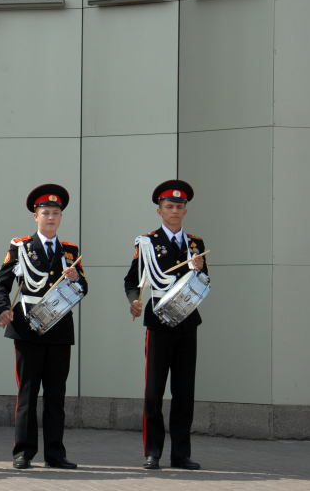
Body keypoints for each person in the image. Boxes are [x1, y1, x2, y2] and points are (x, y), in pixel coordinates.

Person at [0, 184, 87, 470]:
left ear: (61, 217)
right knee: (28, 394)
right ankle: (23, 452)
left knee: (56, 395)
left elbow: (84, 288)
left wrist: (75, 278)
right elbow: (1, 284)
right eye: (45, 212)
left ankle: (55, 454)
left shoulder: (70, 251)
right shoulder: (21, 247)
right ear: (36, 216)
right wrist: (1, 310)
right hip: (27, 328)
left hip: (59, 329)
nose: (51, 217)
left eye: (56, 213)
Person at [124, 180, 207, 471]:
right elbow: (132, 278)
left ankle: (181, 454)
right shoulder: (147, 242)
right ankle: (153, 452)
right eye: (169, 207)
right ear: (160, 211)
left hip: (187, 322)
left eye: (179, 206)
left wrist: (198, 270)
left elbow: (205, 282)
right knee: (154, 391)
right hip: (158, 321)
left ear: (185, 211)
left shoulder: (196, 244)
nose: (174, 211)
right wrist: (134, 300)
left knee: (184, 391)